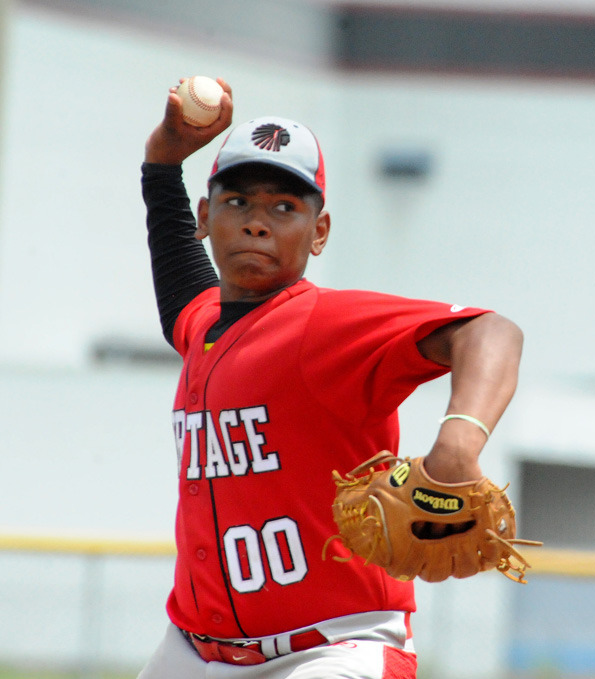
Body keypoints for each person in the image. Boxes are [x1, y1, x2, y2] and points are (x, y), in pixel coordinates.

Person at [136, 78, 524, 679]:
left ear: (319, 232)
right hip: (192, 651)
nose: (257, 223)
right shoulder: (203, 325)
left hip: (330, 653)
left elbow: (490, 331)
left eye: (285, 208)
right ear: (206, 218)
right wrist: (162, 165)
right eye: (238, 202)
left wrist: (458, 440)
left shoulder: (326, 324)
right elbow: (180, 289)